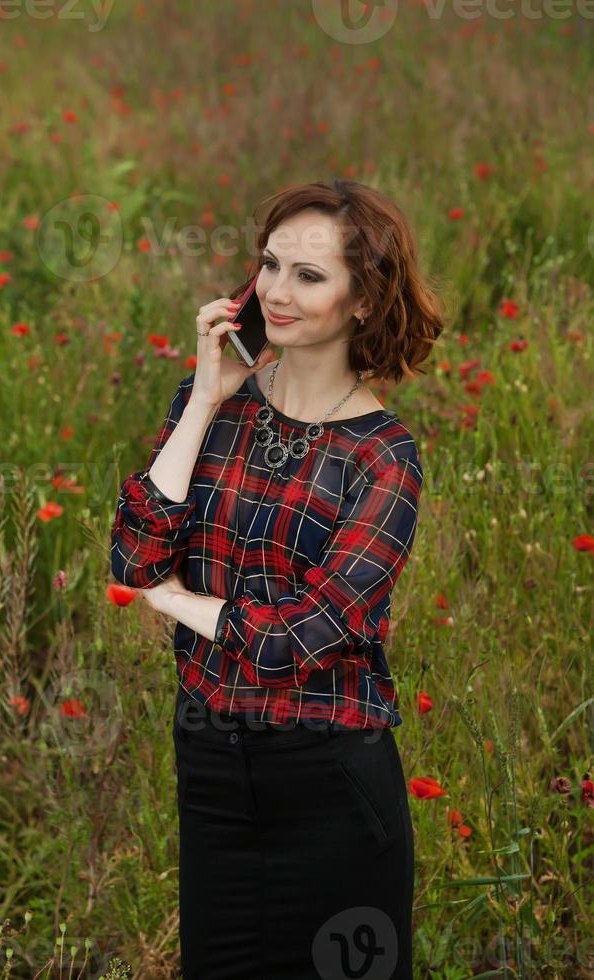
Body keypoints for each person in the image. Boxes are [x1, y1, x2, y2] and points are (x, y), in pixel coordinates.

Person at [110, 179, 444, 979]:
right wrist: (204, 398)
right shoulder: (211, 403)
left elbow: (301, 634)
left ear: (363, 302)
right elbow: (133, 558)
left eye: (310, 275)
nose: (276, 292)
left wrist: (182, 602)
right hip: (213, 770)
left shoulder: (383, 458)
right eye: (269, 265)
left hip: (326, 778)